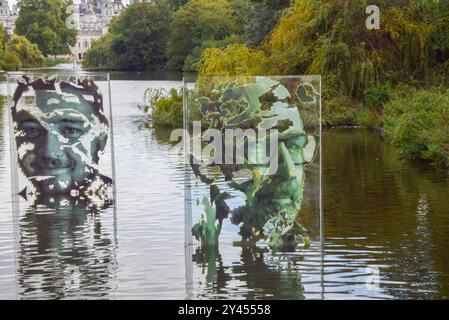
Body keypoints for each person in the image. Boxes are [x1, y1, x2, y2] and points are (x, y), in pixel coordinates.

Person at [11, 75, 113, 206]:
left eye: (70, 131)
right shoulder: (11, 202)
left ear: (101, 140)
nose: (50, 153)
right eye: (32, 131)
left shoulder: (121, 200)